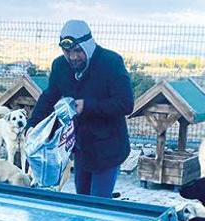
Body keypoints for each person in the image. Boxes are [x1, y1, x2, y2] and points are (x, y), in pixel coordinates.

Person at [27, 20, 134, 198]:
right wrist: (32, 125)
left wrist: (88, 106)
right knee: (82, 201)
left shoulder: (111, 62)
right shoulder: (60, 66)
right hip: (81, 147)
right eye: (67, 51)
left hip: (108, 148)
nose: (73, 57)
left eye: (77, 51)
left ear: (88, 46)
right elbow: (49, 96)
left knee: (98, 204)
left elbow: (125, 103)